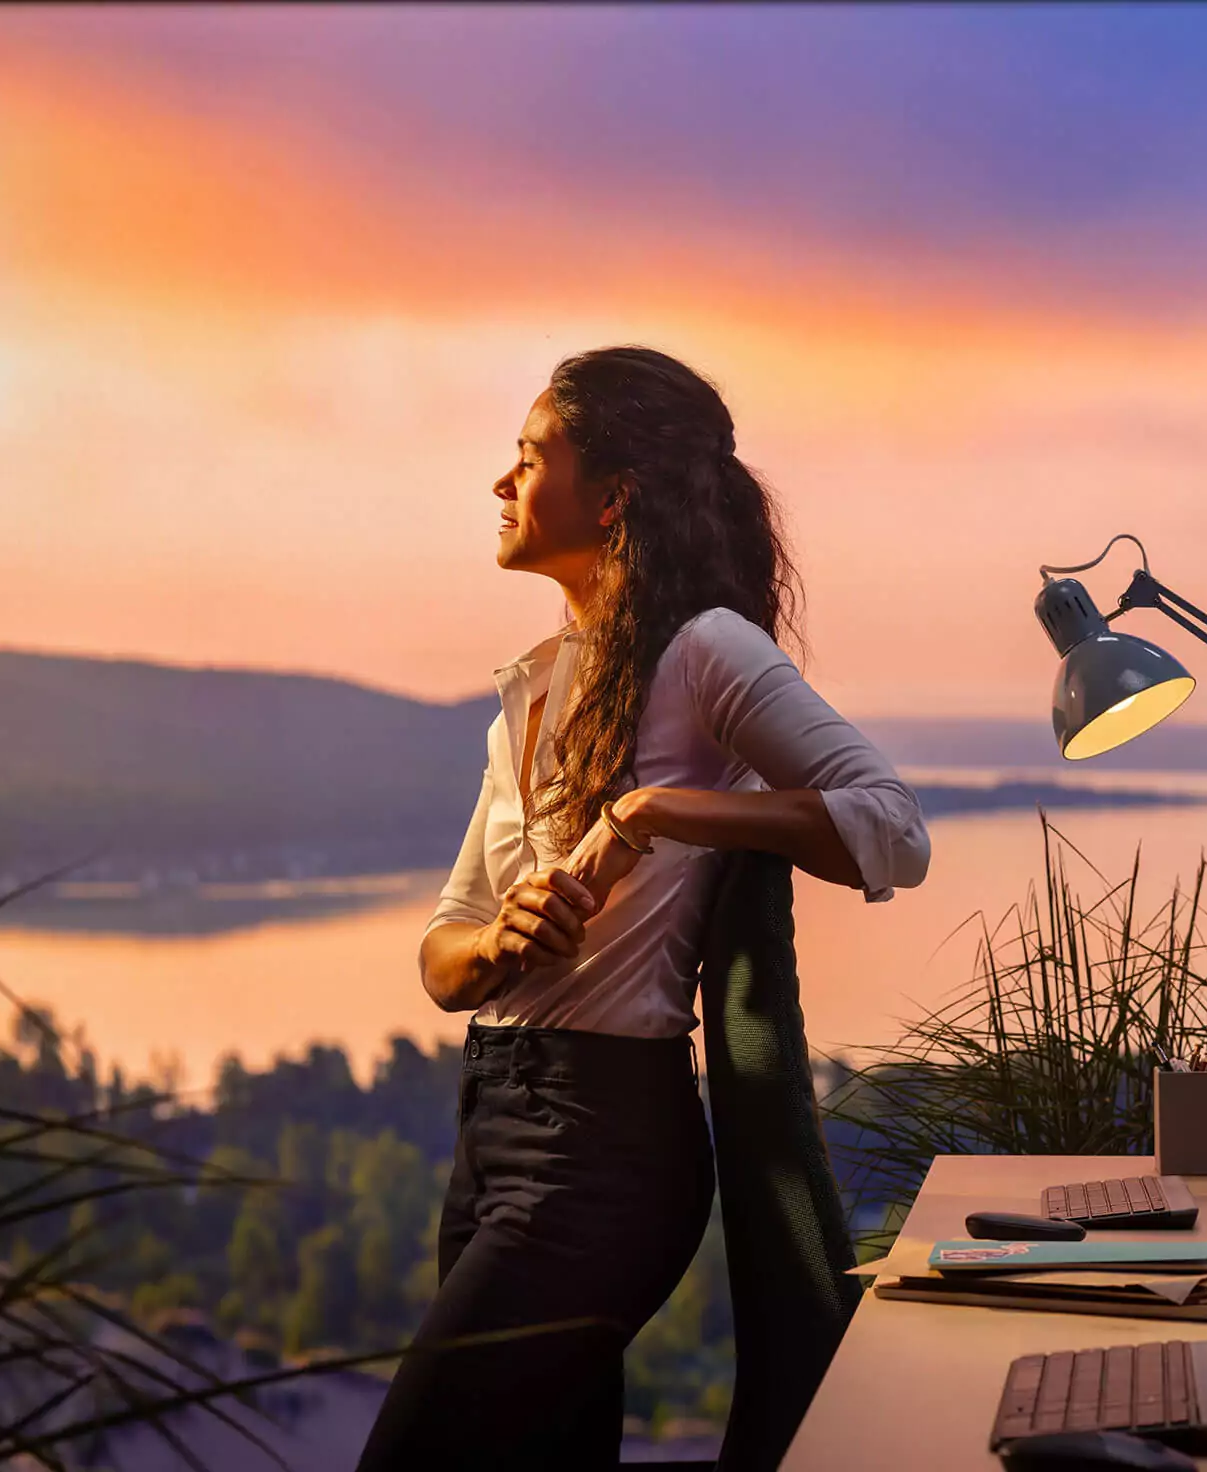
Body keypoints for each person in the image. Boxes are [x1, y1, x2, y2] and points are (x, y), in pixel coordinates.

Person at [354, 346, 931, 1470]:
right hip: (492, 1131)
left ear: (612, 494)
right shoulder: (528, 689)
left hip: (604, 1149)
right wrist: (496, 941)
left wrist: (662, 807)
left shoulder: (705, 651)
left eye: (528, 458)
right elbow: (443, 945)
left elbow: (892, 827)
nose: (500, 484)